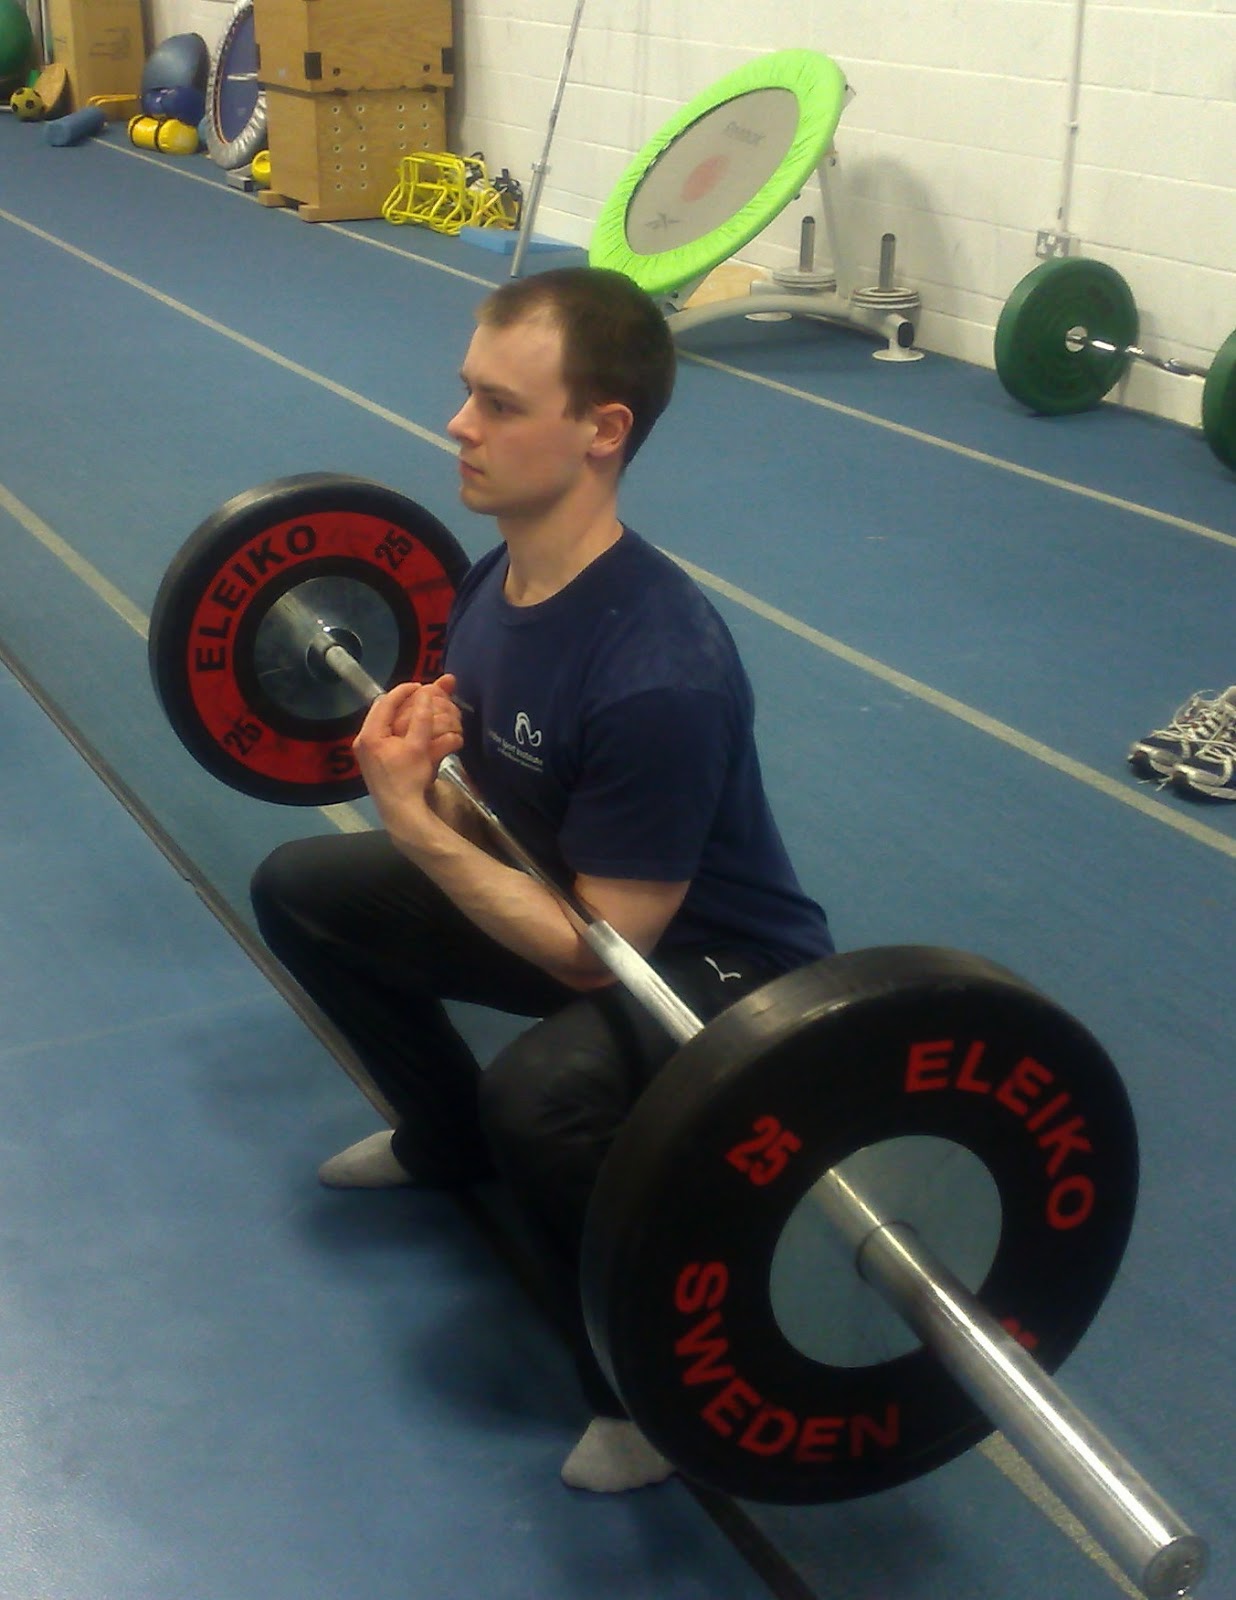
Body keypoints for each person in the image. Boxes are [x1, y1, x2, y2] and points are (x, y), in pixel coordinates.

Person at [250, 266, 834, 1493]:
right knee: (299, 889)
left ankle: (644, 1382)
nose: (458, 426)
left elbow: (595, 953)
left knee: (547, 1103)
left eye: (500, 405)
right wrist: (430, 776)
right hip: (581, 897)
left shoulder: (660, 667)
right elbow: (501, 818)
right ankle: (443, 1135)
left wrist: (415, 822)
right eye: (467, 393)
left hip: (717, 964)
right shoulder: (489, 579)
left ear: (602, 431)